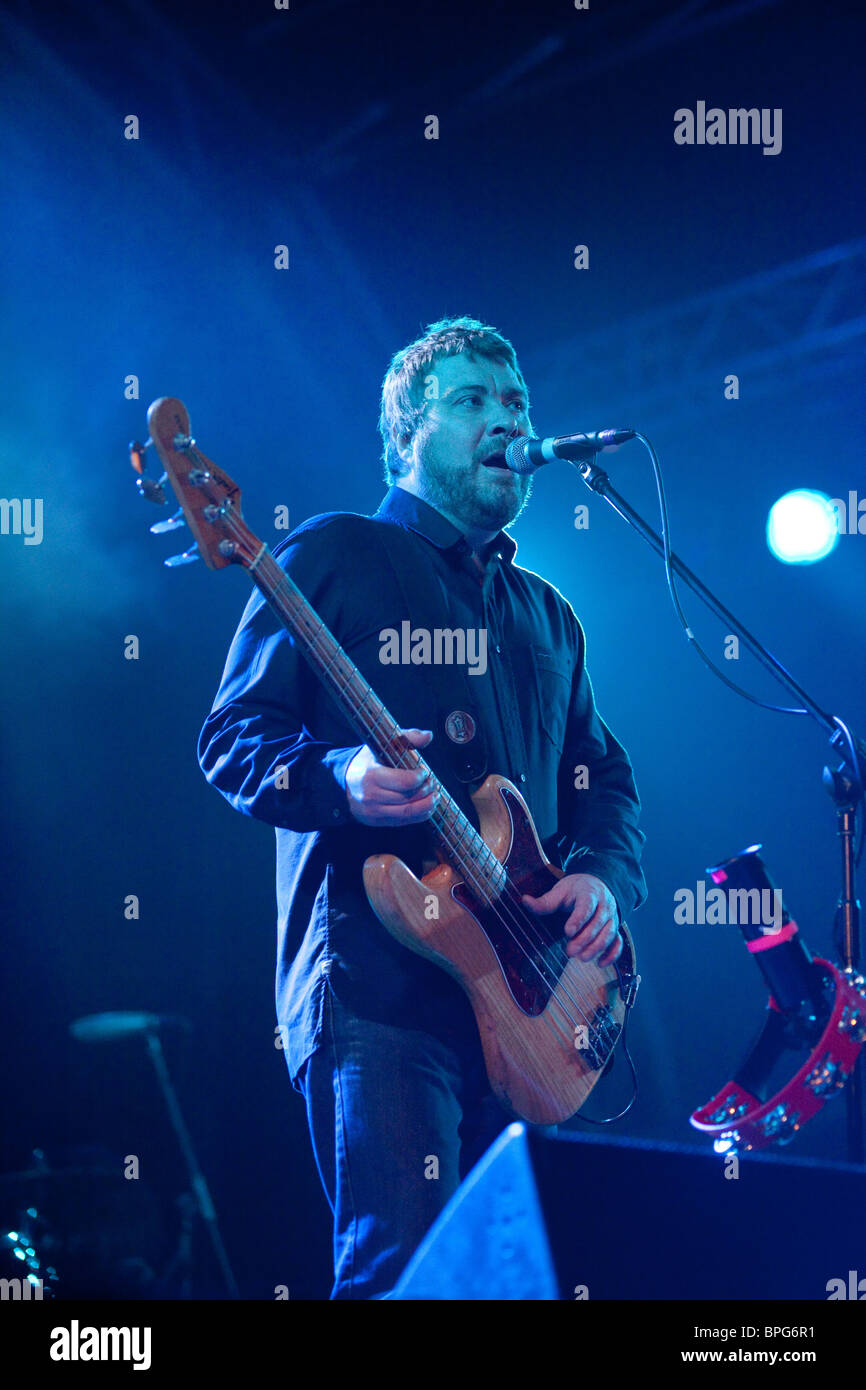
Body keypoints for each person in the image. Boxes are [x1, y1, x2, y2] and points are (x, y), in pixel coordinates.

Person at [198, 316, 646, 1299]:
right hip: (379, 990)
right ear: (406, 430)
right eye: (472, 399)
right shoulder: (333, 554)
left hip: (527, 1002)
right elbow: (231, 739)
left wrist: (598, 880)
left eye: (516, 403)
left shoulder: (547, 614)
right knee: (406, 1277)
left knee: (519, 1279)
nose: (504, 420)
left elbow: (600, 778)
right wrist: (340, 780)